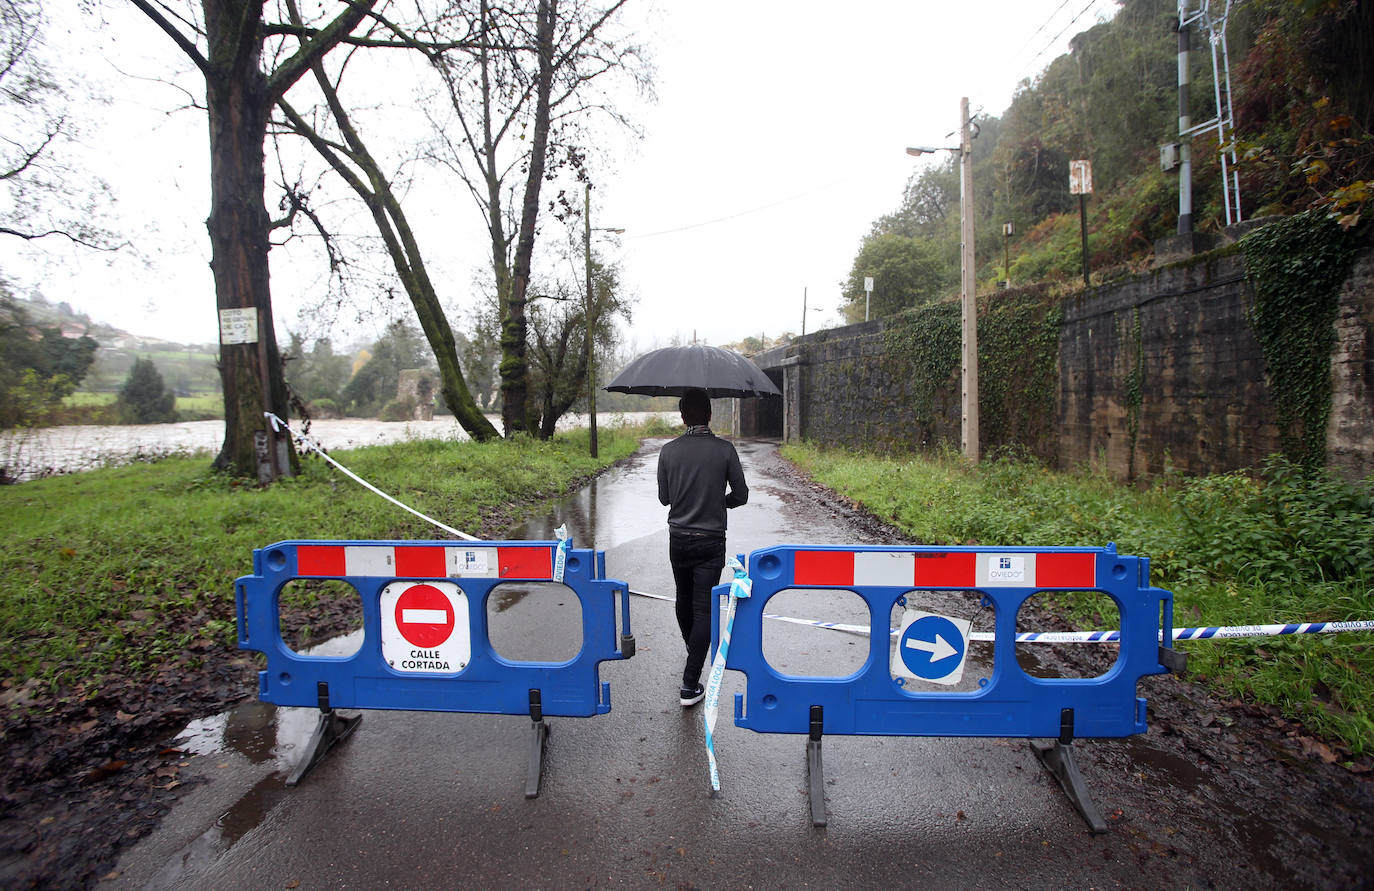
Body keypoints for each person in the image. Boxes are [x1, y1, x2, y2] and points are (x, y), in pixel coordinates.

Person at [657, 388, 749, 707]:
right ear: (709, 414)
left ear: (683, 416)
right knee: (703, 609)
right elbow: (741, 495)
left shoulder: (668, 451)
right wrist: (717, 502)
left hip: (679, 538)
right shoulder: (725, 451)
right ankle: (689, 681)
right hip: (711, 540)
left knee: (683, 600)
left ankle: (692, 659)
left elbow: (664, 498)